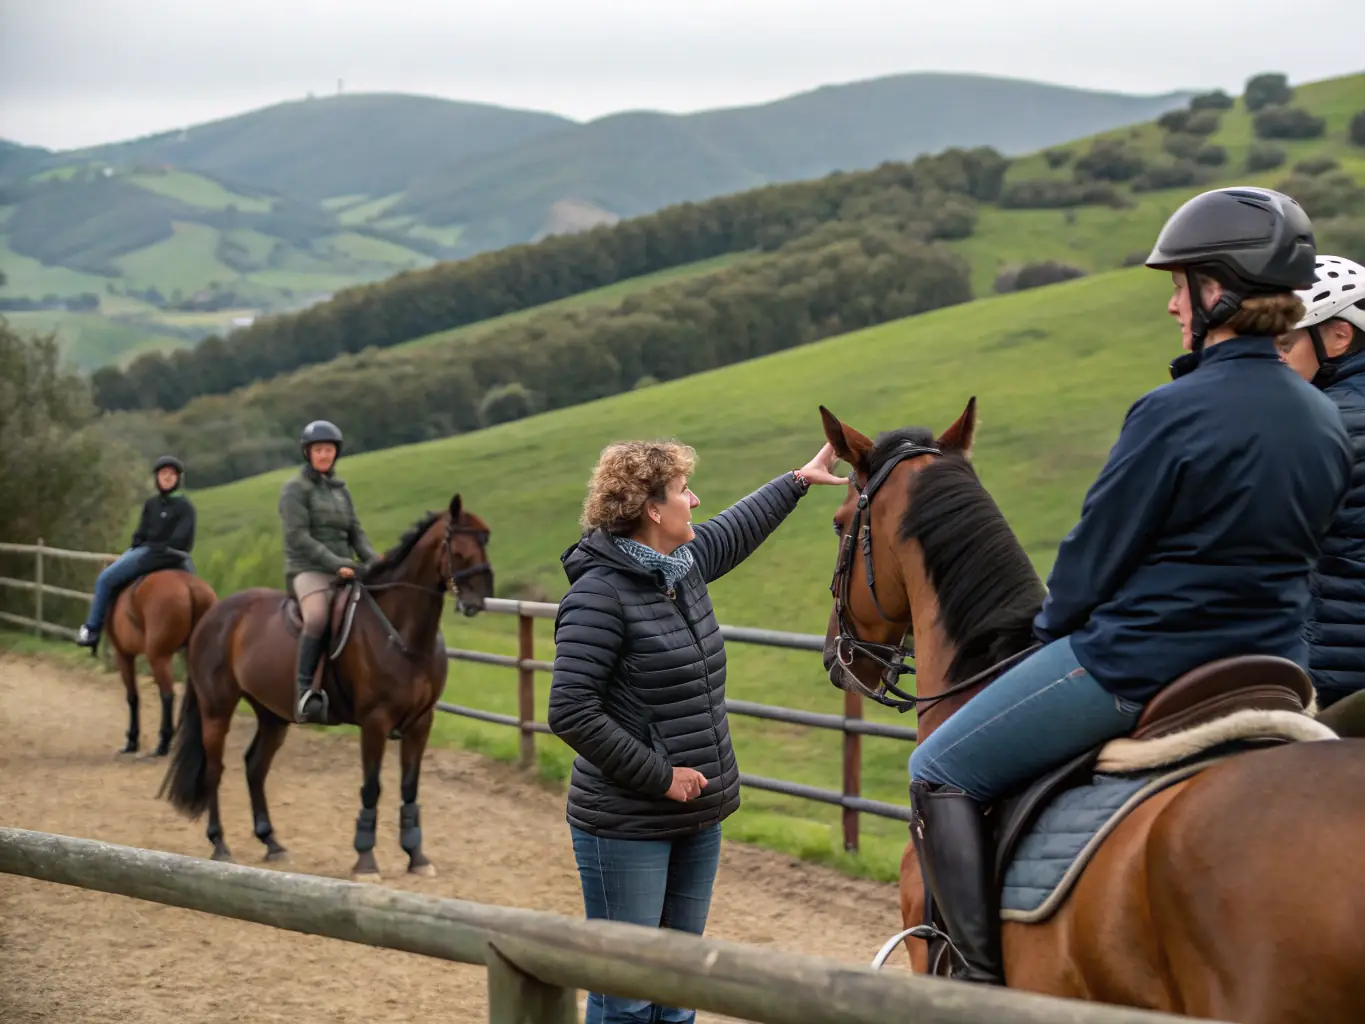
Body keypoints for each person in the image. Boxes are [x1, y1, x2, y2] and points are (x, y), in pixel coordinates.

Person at [905, 186, 1352, 986]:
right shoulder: (1318, 416)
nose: (1172, 307)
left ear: (1217, 290)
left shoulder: (1172, 410)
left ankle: (968, 981)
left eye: (1178, 287)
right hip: (1278, 666)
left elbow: (1088, 567)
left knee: (938, 768)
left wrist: (1050, 633)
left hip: (1141, 662)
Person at [547, 438, 845, 1024]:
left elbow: (735, 527)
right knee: (626, 996)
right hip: (626, 823)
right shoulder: (598, 596)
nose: (696, 499)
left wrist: (799, 480)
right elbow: (571, 710)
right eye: (684, 491)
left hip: (697, 814)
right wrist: (660, 778)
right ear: (652, 510)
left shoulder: (679, 569)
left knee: (680, 992)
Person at [1274, 254, 1365, 712]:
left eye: (1285, 346)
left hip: (1331, 681)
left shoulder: (1321, 426)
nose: (1274, 361)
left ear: (1338, 335)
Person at [279, 420, 378, 724]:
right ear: (308, 453)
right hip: (308, 570)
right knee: (319, 617)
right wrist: (337, 563)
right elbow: (298, 537)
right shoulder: (295, 490)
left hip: (345, 570)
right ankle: (306, 691)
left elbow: (356, 533)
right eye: (319, 450)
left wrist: (375, 562)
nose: (324, 455)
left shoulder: (340, 491)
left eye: (329, 450)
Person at [76, 455, 196, 649]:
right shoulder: (151, 504)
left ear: (178, 479)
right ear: (157, 477)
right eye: (163, 473)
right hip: (155, 552)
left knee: (105, 579)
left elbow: (183, 537)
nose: (167, 477)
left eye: (172, 474)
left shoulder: (185, 507)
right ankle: (93, 628)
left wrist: (156, 547)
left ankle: (91, 629)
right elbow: (141, 532)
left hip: (170, 555)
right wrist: (135, 545)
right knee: (106, 579)